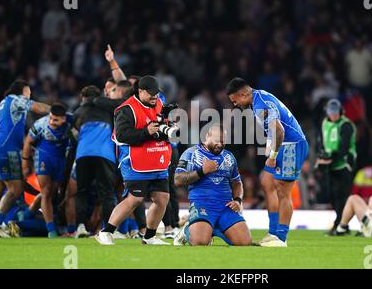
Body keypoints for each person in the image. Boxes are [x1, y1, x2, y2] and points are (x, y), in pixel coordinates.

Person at [226, 78, 308, 247]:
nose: (235, 105)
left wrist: (273, 155)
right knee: (266, 180)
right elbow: (273, 130)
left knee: (283, 190)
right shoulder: (259, 98)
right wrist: (271, 149)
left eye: (235, 101)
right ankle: (273, 231)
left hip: (291, 145)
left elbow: (279, 130)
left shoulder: (260, 104)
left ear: (243, 94)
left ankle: (281, 237)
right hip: (284, 144)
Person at [95, 75, 173, 245]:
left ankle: (149, 237)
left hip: (157, 159)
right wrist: (147, 132)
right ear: (140, 91)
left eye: (156, 94)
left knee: (162, 199)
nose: (155, 97)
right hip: (135, 162)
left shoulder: (159, 103)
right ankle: (106, 232)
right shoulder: (126, 109)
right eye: (151, 94)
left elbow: (162, 123)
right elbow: (121, 136)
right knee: (135, 199)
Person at [173, 125, 252, 246]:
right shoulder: (191, 153)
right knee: (200, 242)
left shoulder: (229, 157)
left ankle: (213, 228)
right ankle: (187, 230)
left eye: (223, 141)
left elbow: (237, 182)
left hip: (225, 206)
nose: (220, 144)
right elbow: (178, 180)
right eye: (217, 141)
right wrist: (202, 171)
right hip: (202, 205)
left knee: (245, 242)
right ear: (207, 136)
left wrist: (237, 200)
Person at [0, 80, 51, 237]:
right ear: (23, 91)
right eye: (28, 93)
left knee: (0, 188)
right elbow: (36, 107)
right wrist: (54, 110)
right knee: (16, 189)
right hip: (7, 150)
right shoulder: (15, 99)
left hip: (0, 148)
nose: (29, 96)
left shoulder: (2, 104)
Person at [21, 103, 73, 238]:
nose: (51, 122)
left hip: (60, 160)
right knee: (46, 192)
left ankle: (27, 214)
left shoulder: (72, 122)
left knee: (52, 192)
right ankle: (51, 230)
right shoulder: (40, 124)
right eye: (50, 118)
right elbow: (28, 142)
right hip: (43, 157)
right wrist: (25, 162)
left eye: (55, 119)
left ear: (63, 119)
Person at [73, 85, 118, 238]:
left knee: (82, 192)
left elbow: (72, 136)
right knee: (107, 194)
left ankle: (80, 227)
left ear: (82, 98)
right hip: (105, 155)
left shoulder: (78, 112)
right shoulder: (109, 110)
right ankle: (108, 230)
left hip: (83, 154)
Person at [316, 99, 357, 235]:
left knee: (342, 196)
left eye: (335, 112)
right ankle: (340, 223)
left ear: (340, 112)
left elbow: (345, 148)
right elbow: (321, 142)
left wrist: (331, 157)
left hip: (344, 165)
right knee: (332, 196)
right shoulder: (324, 123)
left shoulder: (346, 125)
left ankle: (340, 224)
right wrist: (322, 155)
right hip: (331, 166)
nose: (333, 115)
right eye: (330, 112)